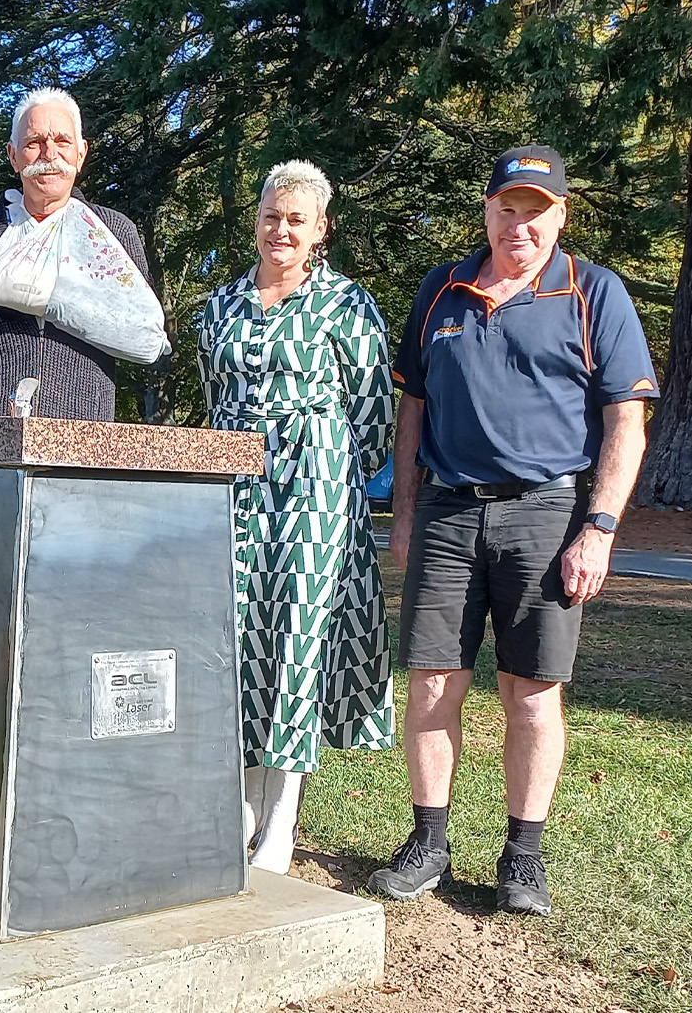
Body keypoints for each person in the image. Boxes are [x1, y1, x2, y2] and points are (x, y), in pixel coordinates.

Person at [370, 145, 659, 915]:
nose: (520, 224)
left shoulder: (595, 292)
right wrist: (403, 513)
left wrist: (597, 529)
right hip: (448, 511)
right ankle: (428, 840)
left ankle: (522, 856)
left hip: (548, 511)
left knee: (530, 692)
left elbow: (625, 423)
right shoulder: (443, 290)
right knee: (434, 681)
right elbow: (412, 412)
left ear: (561, 216)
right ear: (488, 209)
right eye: (509, 208)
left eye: (538, 211)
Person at [195, 160, 396, 875]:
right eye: (272, 216)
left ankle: (281, 820)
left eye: (296, 220)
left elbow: (375, 414)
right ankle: (240, 806)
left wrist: (332, 469)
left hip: (313, 490)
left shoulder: (346, 306)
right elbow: (212, 395)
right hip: (233, 487)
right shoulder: (218, 306)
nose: (282, 230)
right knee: (238, 638)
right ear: (255, 220)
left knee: (294, 643)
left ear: (320, 231)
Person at [0, 87, 150, 421]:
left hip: (79, 439)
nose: (49, 154)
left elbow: (141, 334)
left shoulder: (115, 235)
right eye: (34, 142)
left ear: (81, 153)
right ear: (13, 155)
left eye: (62, 141)